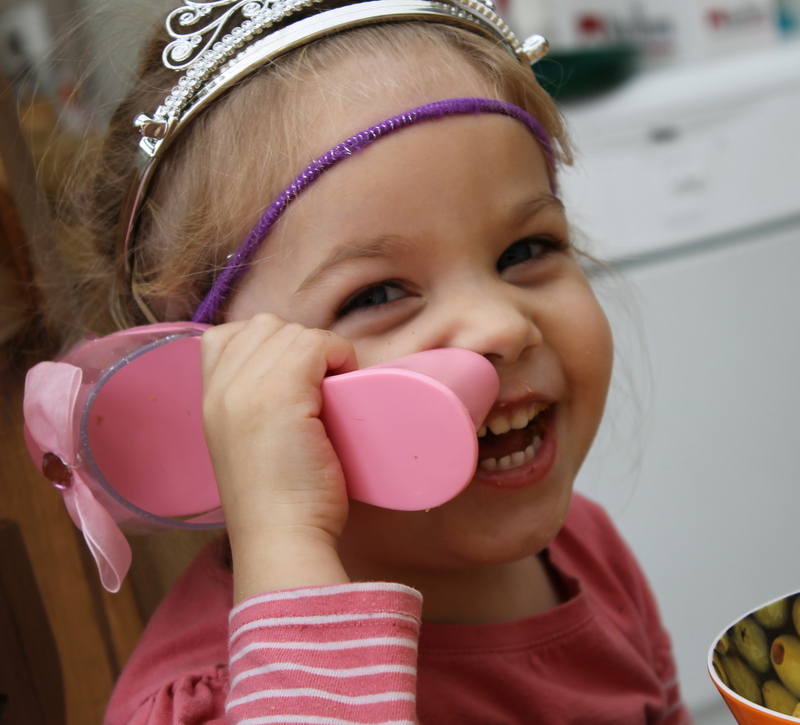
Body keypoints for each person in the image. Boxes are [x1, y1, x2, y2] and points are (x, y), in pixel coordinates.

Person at [49, 1, 693, 723]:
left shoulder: (587, 547)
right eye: (381, 293)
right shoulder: (201, 703)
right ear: (209, 388)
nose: (502, 326)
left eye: (527, 249)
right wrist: (285, 542)